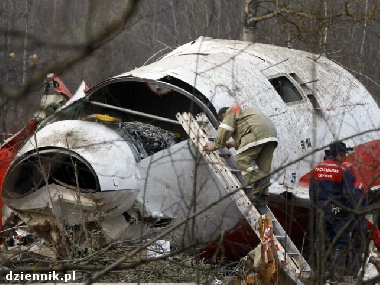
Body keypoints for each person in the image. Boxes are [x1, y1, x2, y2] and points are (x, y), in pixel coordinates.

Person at [203, 104, 278, 205]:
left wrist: (216, 145)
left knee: (242, 158)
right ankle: (261, 197)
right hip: (270, 135)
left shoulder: (232, 110)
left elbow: (226, 128)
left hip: (256, 131)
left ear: (224, 114)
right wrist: (231, 144)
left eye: (222, 119)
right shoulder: (247, 112)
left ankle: (259, 179)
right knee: (262, 167)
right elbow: (246, 137)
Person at [309, 141, 357, 283]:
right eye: (344, 155)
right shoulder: (342, 171)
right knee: (341, 242)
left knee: (322, 241)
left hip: (321, 211)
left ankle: (322, 274)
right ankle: (336, 277)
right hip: (338, 212)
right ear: (339, 155)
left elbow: (312, 194)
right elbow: (349, 195)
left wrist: (317, 207)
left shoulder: (316, 169)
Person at [341, 161, 368, 280]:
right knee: (356, 248)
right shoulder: (358, 185)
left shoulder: (354, 188)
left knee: (352, 247)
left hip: (355, 223)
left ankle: (353, 273)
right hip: (360, 222)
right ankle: (354, 272)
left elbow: (354, 207)